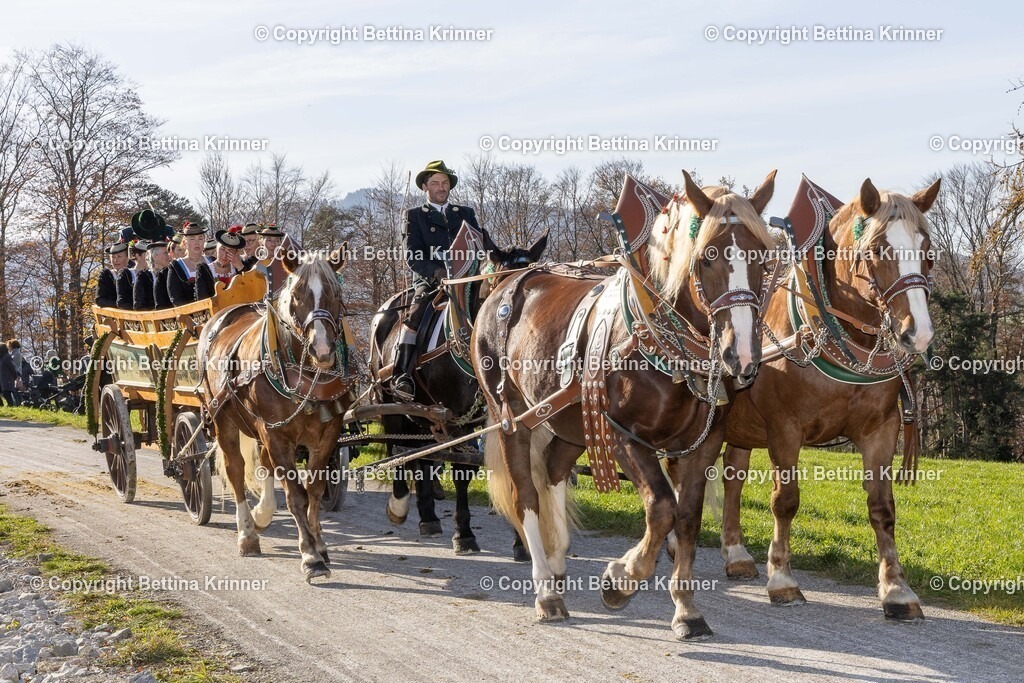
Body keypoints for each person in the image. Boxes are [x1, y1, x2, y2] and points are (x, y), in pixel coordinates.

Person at [391, 160, 485, 400]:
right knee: (415, 314)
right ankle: (402, 375)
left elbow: (479, 246)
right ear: (425, 187)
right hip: (430, 281)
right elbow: (413, 257)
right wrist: (438, 273)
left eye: (444, 183)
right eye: (435, 183)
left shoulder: (465, 214)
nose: (441, 187)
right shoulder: (413, 216)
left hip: (467, 279)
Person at [196, 227, 249, 299]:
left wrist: (240, 267)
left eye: (230, 251)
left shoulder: (242, 267)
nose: (224, 255)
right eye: (222, 249)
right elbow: (203, 299)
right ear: (216, 249)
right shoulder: (204, 271)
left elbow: (250, 290)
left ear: (236, 252)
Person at [166, 222, 210, 306]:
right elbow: (176, 298)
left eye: (200, 238)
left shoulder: (211, 261)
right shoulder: (176, 266)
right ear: (184, 243)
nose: (197, 243)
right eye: (192, 239)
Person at [95, 240, 130, 307]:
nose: (115, 260)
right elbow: (100, 300)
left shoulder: (133, 274)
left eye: (119, 256)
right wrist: (119, 305)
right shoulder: (106, 275)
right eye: (113, 257)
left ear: (127, 257)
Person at [117, 240, 149, 309]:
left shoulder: (153, 273)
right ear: (138, 256)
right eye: (147, 254)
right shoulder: (126, 274)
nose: (150, 257)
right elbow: (122, 301)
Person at [150, 239, 173, 309]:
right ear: (155, 256)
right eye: (165, 253)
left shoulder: (172, 274)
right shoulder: (145, 277)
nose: (169, 255)